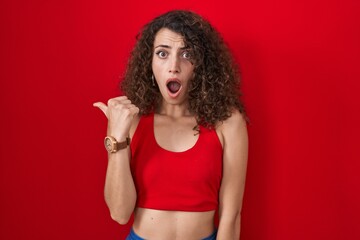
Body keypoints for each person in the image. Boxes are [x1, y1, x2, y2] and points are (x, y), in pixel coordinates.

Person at [94, 10, 248, 240]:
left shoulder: (228, 122)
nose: (173, 65)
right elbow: (119, 213)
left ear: (201, 65)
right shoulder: (131, 119)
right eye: (162, 53)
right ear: (150, 63)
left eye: (186, 54)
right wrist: (117, 136)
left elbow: (231, 215)